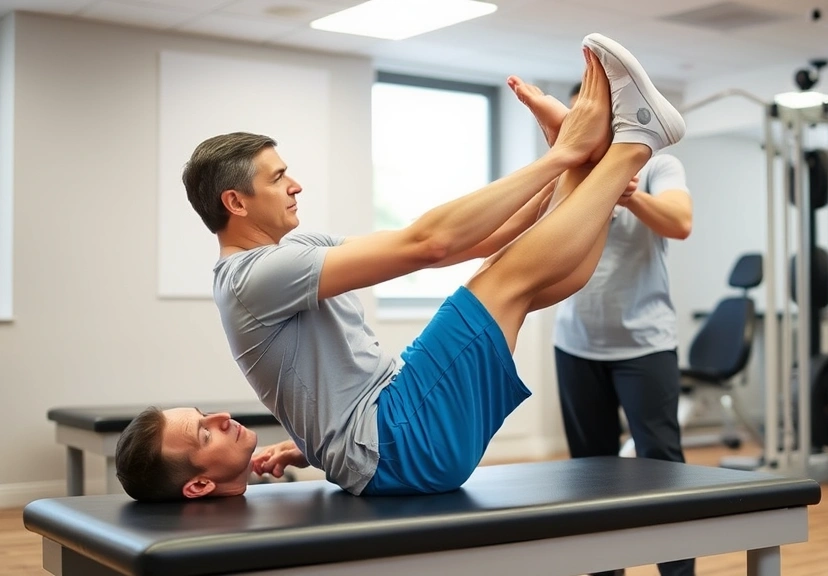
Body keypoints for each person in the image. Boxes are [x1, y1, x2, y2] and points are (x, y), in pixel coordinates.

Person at [113, 33, 686, 502]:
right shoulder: (251, 279)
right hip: (395, 442)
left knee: (523, 285)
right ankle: (636, 141)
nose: (295, 185)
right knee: (502, 285)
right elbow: (429, 243)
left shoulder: (293, 250)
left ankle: (608, 154)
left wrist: (570, 170)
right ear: (235, 203)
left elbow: (468, 243)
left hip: (393, 433)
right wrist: (562, 156)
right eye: (277, 177)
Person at [508, 77, 695, 576]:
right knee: (591, 474)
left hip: (645, 343)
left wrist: (629, 196)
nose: (582, 124)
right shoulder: (570, 170)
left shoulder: (656, 165)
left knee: (662, 469)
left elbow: (680, 222)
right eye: (575, 117)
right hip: (577, 343)